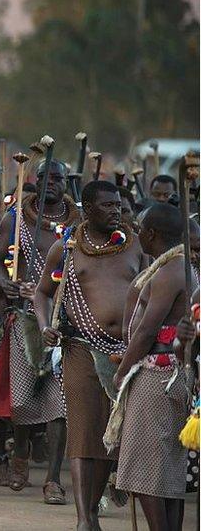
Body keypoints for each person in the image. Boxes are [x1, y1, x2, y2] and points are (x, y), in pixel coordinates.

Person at [33, 181, 146, 531]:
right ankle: (85, 519)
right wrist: (43, 326)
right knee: (83, 432)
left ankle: (93, 510)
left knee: (110, 434)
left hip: (124, 353)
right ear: (87, 208)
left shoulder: (135, 246)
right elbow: (42, 293)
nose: (116, 211)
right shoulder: (66, 249)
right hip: (79, 346)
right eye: (107, 205)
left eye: (118, 205)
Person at [0, 160, 80, 503]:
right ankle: (21, 454)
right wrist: (7, 285)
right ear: (35, 181)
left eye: (59, 178)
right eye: (46, 178)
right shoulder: (15, 219)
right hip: (26, 318)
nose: (52, 183)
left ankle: (53, 479)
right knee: (25, 400)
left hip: (68, 322)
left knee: (60, 404)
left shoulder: (79, 222)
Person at [107, 203, 195, 531]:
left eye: (141, 227)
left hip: (158, 375)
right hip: (164, 372)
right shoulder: (172, 266)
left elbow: (147, 329)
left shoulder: (173, 270)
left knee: (145, 470)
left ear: (152, 233)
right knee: (162, 471)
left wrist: (122, 371)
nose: (137, 232)